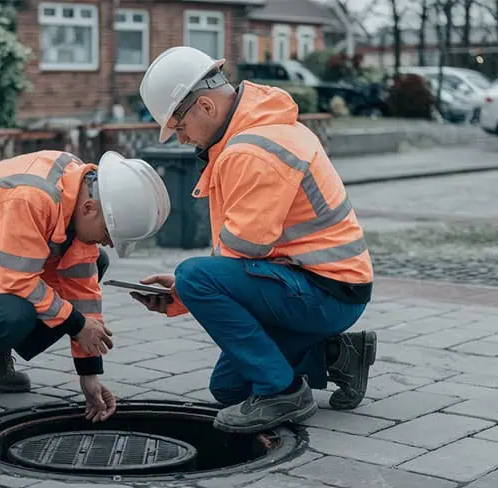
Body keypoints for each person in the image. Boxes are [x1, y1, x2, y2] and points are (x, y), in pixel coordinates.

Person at [133, 46, 377, 434]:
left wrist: (187, 290)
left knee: (195, 276)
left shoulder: (254, 149)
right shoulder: (256, 129)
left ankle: (283, 393)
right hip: (322, 284)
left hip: (326, 291)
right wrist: (185, 294)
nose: (181, 139)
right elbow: (242, 258)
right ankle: (338, 355)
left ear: (207, 107)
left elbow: (241, 251)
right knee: (228, 388)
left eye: (178, 127)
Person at [0, 150, 170, 422]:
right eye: (109, 234)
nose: (108, 242)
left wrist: (89, 375)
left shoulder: (79, 191)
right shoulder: (31, 198)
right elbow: (19, 281)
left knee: (94, 264)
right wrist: (76, 325)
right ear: (89, 209)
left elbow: (82, 293)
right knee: (12, 314)